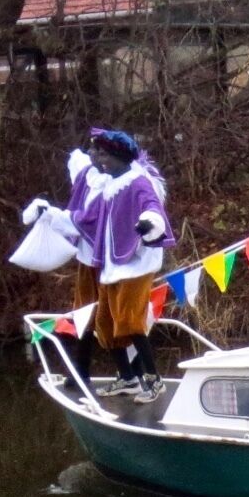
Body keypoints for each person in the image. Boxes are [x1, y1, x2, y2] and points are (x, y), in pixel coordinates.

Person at [68, 129, 175, 403]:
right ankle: (128, 378)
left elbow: (152, 207)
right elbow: (91, 219)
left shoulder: (138, 183)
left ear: (118, 156)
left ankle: (154, 381)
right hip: (111, 264)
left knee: (130, 321)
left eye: (104, 155)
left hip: (136, 264)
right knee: (105, 324)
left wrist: (149, 223)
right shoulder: (109, 185)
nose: (99, 160)